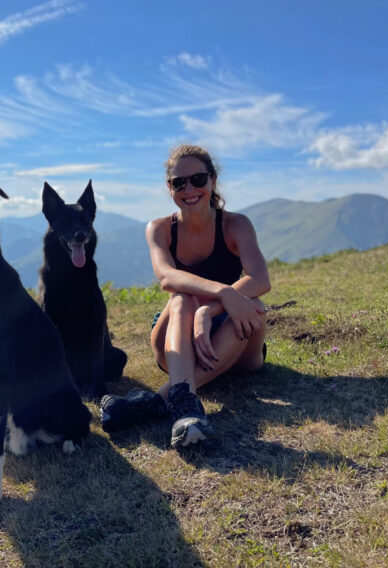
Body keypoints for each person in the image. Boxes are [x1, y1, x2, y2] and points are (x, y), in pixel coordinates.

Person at [101, 144, 271, 448]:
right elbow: (167, 277)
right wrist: (223, 291)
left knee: (255, 307)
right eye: (179, 183)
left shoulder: (236, 225)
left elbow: (260, 279)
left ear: (212, 180)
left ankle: (163, 400)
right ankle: (184, 408)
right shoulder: (160, 229)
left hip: (233, 342)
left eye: (198, 179)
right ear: (170, 188)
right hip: (177, 338)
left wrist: (209, 310)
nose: (189, 189)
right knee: (180, 298)